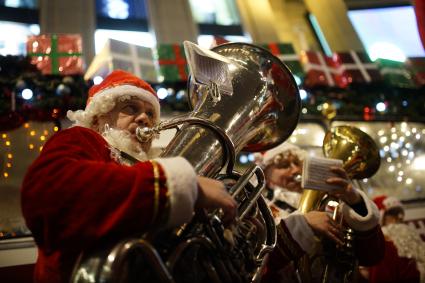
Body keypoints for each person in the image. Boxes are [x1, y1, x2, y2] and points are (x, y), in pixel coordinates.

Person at [20, 70, 237, 283]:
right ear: (98, 120)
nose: (144, 118)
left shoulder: (150, 166)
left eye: (151, 114)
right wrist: (182, 185)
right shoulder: (82, 138)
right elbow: (48, 193)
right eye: (130, 108)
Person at [255, 143, 385, 283]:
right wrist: (302, 225)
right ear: (266, 174)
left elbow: (372, 256)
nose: (296, 170)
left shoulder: (332, 205)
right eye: (285, 165)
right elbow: (257, 265)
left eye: (298, 164)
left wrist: (355, 202)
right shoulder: (259, 211)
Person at [361, 195, 425, 283]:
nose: (398, 218)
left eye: (396, 214)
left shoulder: (382, 241)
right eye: (393, 214)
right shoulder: (411, 233)